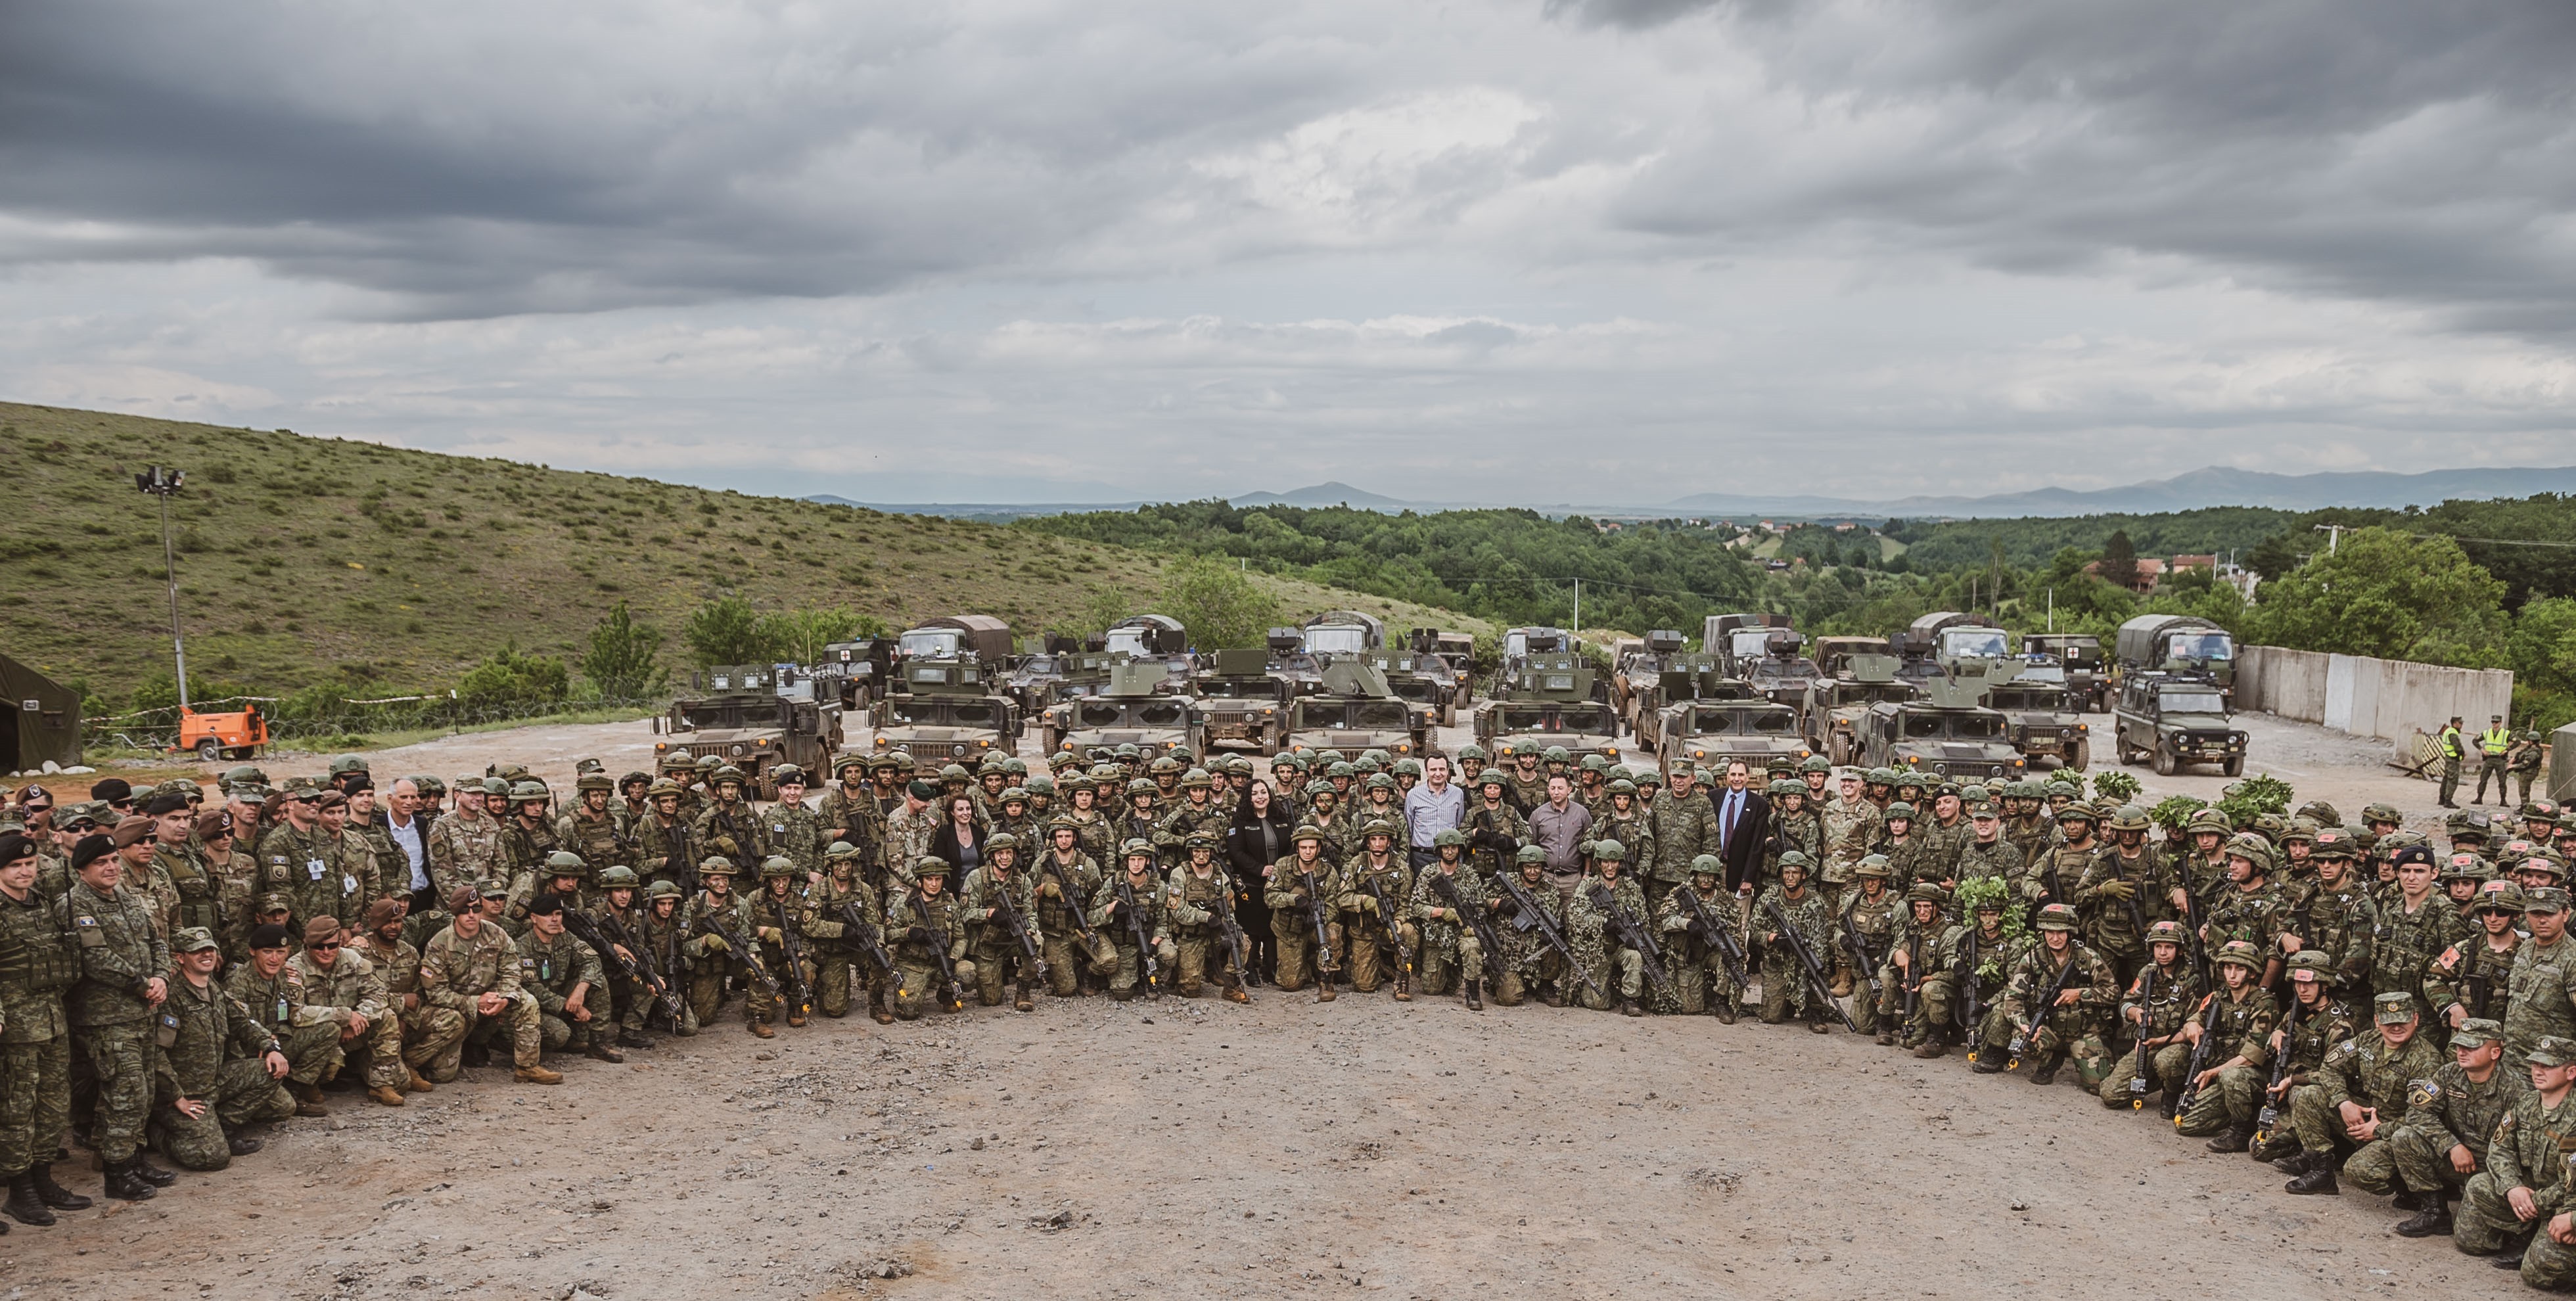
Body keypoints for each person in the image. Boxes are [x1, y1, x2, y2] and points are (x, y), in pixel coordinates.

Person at [60, 831, 177, 1200]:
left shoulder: (124, 896)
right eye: (101, 863)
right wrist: (143, 984)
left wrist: (160, 976)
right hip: (106, 1017)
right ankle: (116, 1171)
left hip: (141, 1011)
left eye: (113, 861)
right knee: (123, 1092)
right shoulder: (75, 904)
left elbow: (157, 938)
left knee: (142, 1090)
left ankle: (133, 1158)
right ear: (81, 870)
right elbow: (96, 959)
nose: (111, 868)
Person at [152, 928, 292, 1172]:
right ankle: (156, 1134)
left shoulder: (213, 989)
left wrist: (270, 1047)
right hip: (187, 1092)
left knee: (270, 1072)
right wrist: (176, 1097)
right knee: (213, 1158)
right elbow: (156, 1053)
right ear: (180, 957)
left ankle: (223, 1127)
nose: (205, 955)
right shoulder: (172, 997)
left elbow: (241, 1021)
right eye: (197, 951)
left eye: (210, 950)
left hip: (216, 1079)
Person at [0, 832, 86, 1224]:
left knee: (53, 1107)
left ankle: (43, 1179)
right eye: (15, 866)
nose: (24, 872)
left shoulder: (42, 905)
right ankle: (20, 1191)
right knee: (19, 1110)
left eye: (29, 865)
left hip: (52, 1020)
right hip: (15, 1029)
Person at [413, 884, 556, 1085]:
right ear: (454, 912)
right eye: (465, 910)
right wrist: (475, 1002)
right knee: (442, 1076)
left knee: (527, 1001)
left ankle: (527, 1067)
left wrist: (505, 998)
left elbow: (512, 971)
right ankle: (410, 1063)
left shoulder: (497, 935)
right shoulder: (439, 944)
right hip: (456, 1007)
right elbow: (436, 993)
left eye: (476, 908)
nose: (471, 915)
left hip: (491, 998)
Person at [2459, 1035, 2576, 1271]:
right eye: (2535, 1064)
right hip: (2529, 1191)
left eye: (2548, 1066)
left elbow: (2571, 1185)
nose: (2538, 1071)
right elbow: (2500, 1149)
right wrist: (2513, 1188)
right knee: (2470, 1237)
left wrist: (2535, 1202)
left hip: (2564, 1204)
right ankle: (2527, 1232)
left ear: (2571, 1073)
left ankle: (2538, 1238)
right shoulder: (2527, 1104)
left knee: (2540, 1271)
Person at [2173, 941, 2281, 1151]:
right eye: (2228, 968)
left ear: (2252, 973)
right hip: (2223, 1076)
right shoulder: (2218, 996)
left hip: (2252, 1078)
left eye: (2239, 969)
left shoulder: (2264, 1003)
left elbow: (2252, 1056)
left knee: (2231, 1076)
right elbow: (2194, 1019)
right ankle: (2231, 1110)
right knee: (2185, 1123)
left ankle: (2241, 1130)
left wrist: (2213, 1072)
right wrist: (2192, 1025)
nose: (2232, 974)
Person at [1995, 903, 2117, 1088]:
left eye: (2061, 932)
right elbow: (2013, 999)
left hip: (2082, 1033)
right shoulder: (2032, 959)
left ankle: (2100, 1050)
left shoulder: (2089, 958)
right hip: (2048, 1029)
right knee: (2023, 1042)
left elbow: (2114, 992)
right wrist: (2025, 1025)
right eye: (2049, 932)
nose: (2055, 938)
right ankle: (2049, 1060)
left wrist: (2080, 994)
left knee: (2098, 1084)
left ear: (2070, 933)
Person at [289, 915, 405, 1107]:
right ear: (307, 945)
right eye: (319, 947)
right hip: (320, 1037)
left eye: (332, 946)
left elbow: (378, 995)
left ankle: (381, 1085)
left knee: (387, 1017)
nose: (326, 952)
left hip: (353, 1030)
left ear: (340, 942)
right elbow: (295, 1013)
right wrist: (343, 1016)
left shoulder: (352, 959)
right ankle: (308, 1084)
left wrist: (358, 1017)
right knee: (330, 1068)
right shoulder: (294, 968)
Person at [2100, 921, 2205, 1110]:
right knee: (2110, 1095)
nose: (2163, 953)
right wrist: (2137, 1013)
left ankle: (2172, 1093)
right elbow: (2125, 1003)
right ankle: (2155, 1079)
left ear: (2180, 950)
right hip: (2148, 1043)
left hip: (2178, 1046)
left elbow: (2194, 1027)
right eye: (2158, 947)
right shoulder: (2148, 972)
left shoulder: (2193, 979)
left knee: (2166, 1061)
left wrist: (2161, 1041)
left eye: (2169, 947)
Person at [888, 857, 974, 1019]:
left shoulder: (950, 905)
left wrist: (953, 958)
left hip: (942, 962)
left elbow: (962, 938)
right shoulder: (904, 903)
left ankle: (946, 994)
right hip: (913, 964)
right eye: (929, 879)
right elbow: (888, 934)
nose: (934, 884)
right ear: (921, 881)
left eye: (938, 879)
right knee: (909, 1011)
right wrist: (907, 932)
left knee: (968, 973)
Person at [1224, 779, 1292, 984]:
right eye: (1255, 794)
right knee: (1253, 929)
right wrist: (1260, 869)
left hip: (1278, 883)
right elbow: (1236, 851)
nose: (1260, 797)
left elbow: (1291, 845)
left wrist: (1279, 869)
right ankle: (1250, 968)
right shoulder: (1241, 820)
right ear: (1249, 798)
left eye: (1264, 792)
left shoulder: (1280, 817)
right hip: (1252, 883)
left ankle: (1271, 969)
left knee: (1272, 928)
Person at [1262, 827, 1341, 1000]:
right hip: (1289, 929)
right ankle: (1308, 965)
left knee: (1333, 933)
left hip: (1315, 926)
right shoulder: (1283, 866)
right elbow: (1269, 897)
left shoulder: (1328, 872)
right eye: (1303, 847)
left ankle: (1326, 978)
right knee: (1290, 984)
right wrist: (1293, 900)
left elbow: (1334, 905)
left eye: (1312, 848)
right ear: (1297, 848)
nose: (1308, 852)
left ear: (1319, 848)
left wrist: (1321, 918)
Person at [1528, 776, 1592, 902]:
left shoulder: (1582, 814)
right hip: (1546, 876)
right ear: (1548, 790)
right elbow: (1532, 845)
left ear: (1569, 790)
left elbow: (1588, 846)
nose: (1556, 792)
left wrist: (1587, 873)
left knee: (1572, 917)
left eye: (1560, 788)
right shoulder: (1538, 815)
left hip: (1573, 879)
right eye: (1553, 788)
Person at [1712, 760, 1770, 898]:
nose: (1736, 779)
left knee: (1739, 917)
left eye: (1741, 775)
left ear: (1748, 777)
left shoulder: (1759, 804)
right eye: (1733, 774)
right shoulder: (1713, 797)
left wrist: (1748, 878)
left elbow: (1757, 845)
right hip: (1715, 869)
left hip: (1741, 873)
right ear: (1727, 776)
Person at [1402, 756, 1464, 873]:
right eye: (1433, 769)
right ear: (1426, 771)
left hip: (1448, 856)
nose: (1438, 773)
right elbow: (1409, 826)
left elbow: (1458, 822)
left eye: (1442, 769)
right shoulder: (1413, 795)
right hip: (1421, 857)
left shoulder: (1458, 794)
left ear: (1447, 770)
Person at [2475, 714, 2514, 806]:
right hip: (2489, 758)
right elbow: (2475, 741)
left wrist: (2507, 750)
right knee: (2483, 779)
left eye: (2496, 722)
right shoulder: (2487, 732)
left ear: (2500, 723)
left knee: (2502, 781)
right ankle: (2479, 798)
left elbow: (2517, 741)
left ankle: (2503, 800)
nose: (2494, 724)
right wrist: (2482, 750)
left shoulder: (2506, 733)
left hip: (2500, 759)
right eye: (2493, 722)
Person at [2439, 717, 2466, 809]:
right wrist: (2462, 754)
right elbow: (2458, 747)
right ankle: (2448, 801)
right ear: (2455, 724)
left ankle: (2442, 799)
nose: (2461, 725)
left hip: (2448, 757)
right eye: (2460, 723)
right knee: (2453, 780)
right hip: (2453, 758)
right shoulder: (2453, 733)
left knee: (2446, 778)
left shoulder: (2448, 731)